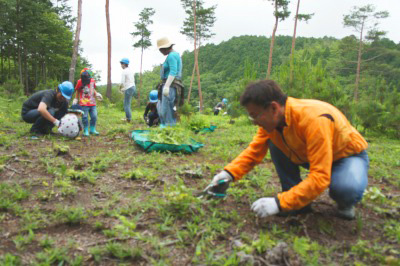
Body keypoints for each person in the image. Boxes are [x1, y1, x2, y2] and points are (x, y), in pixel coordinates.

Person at [208, 80, 369, 220]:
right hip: (307, 154)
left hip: (345, 157)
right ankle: (297, 202)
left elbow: (320, 176)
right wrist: (228, 174)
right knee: (274, 142)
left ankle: (345, 202)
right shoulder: (272, 122)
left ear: (273, 108)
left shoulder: (315, 120)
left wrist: (279, 203)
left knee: (345, 189)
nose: (254, 121)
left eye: (255, 115)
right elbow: (254, 151)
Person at [156, 37, 183, 127]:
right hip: (168, 84)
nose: (160, 51)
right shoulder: (173, 55)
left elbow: (173, 71)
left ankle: (170, 130)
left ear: (165, 48)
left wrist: (167, 86)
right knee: (164, 110)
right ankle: (166, 128)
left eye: (160, 49)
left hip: (171, 85)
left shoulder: (172, 56)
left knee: (167, 110)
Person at [73, 69, 102, 136]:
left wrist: (97, 94)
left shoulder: (92, 81)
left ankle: (92, 129)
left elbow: (93, 88)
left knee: (94, 116)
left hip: (92, 102)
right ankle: (86, 130)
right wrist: (76, 99)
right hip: (83, 103)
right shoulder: (79, 82)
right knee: (84, 117)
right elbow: (77, 90)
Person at [119, 58, 136, 123]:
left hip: (128, 88)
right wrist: (123, 89)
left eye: (121, 64)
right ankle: (128, 117)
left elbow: (122, 82)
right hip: (133, 87)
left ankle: (128, 119)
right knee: (127, 103)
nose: (121, 65)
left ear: (124, 64)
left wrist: (120, 89)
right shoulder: (130, 70)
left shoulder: (124, 71)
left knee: (126, 104)